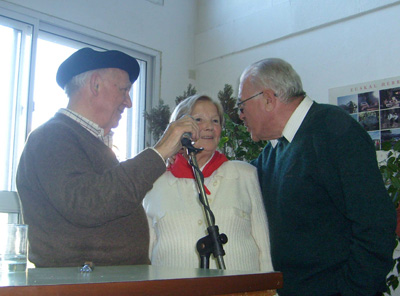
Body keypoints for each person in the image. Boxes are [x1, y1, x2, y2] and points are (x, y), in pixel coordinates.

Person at [16, 47, 199, 268]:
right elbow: (88, 203)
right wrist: (160, 151)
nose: (129, 102)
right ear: (95, 84)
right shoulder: (51, 137)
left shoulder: (83, 141)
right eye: (123, 90)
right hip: (83, 286)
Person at [237, 58, 396, 296]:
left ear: (268, 99)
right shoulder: (275, 150)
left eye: (242, 106)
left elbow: (375, 225)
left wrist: (352, 291)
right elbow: (236, 180)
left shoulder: (335, 132)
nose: (241, 115)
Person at [143, 95, 273, 271]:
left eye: (215, 121)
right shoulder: (154, 183)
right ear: (178, 129)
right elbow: (147, 253)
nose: (209, 127)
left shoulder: (245, 175)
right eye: (198, 120)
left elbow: (264, 246)